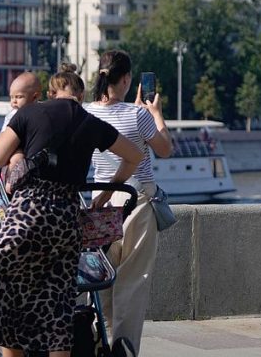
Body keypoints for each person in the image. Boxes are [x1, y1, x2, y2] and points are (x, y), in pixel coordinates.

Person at [0, 65, 143, 357]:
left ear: (51, 93)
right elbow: (135, 155)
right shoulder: (90, 121)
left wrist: (17, 153)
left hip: (28, 210)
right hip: (67, 217)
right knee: (58, 300)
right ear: (79, 95)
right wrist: (107, 191)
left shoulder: (29, 113)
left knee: (6, 283)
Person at [85, 50, 173, 353]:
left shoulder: (87, 112)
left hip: (100, 202)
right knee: (133, 278)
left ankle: (100, 340)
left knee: (100, 276)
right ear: (126, 79)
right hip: (136, 199)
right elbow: (164, 149)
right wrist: (156, 113)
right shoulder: (138, 115)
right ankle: (124, 346)